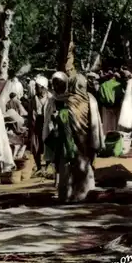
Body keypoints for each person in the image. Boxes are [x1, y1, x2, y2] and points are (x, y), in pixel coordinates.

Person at [43, 73, 104, 203]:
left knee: (67, 169)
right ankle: (84, 194)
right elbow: (97, 123)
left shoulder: (63, 100)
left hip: (68, 141)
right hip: (86, 141)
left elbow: (55, 120)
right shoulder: (90, 99)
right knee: (84, 167)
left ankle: (67, 196)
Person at [29, 75, 50, 173]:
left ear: (43, 87)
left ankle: (47, 166)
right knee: (35, 146)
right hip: (36, 124)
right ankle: (38, 166)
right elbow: (30, 112)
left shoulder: (50, 98)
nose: (35, 88)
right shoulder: (33, 99)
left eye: (37, 87)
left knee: (48, 146)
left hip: (47, 124)